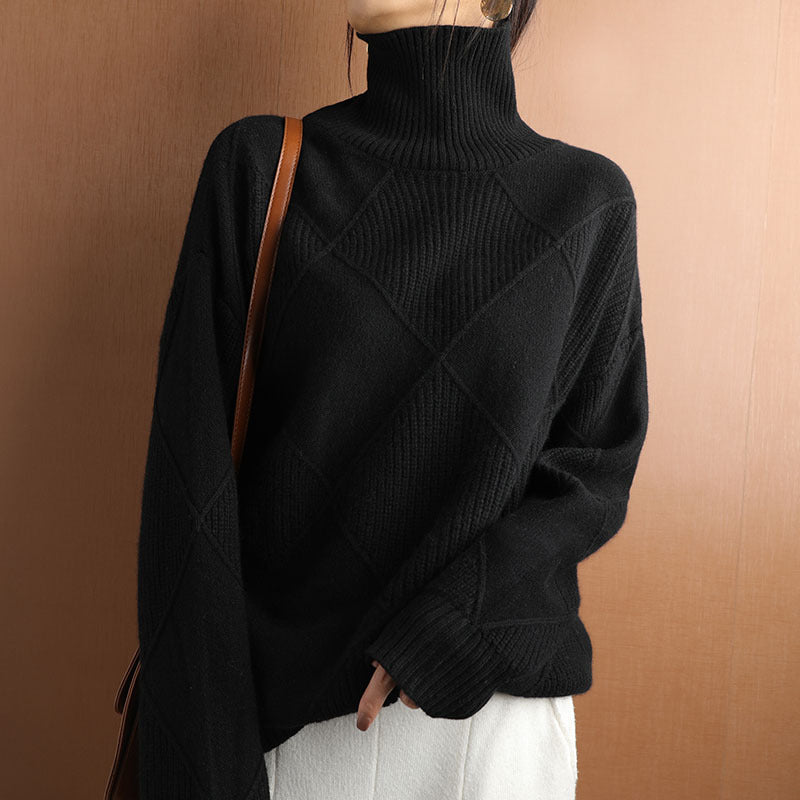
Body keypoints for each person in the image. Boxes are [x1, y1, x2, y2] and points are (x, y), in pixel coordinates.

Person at [135, 0, 649, 798]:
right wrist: (200, 754)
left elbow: (593, 472)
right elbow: (188, 490)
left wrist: (461, 619)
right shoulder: (263, 167)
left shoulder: (586, 200)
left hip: (487, 718)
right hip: (289, 728)